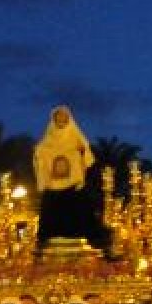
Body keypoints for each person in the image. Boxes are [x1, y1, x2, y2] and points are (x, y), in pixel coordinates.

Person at [33, 105, 104, 246]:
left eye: (63, 118)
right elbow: (39, 155)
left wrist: (82, 152)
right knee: (52, 212)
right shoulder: (47, 140)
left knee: (78, 210)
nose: (60, 121)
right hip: (53, 187)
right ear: (53, 120)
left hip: (73, 186)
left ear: (68, 120)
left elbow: (87, 153)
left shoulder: (75, 135)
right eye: (57, 118)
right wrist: (38, 155)